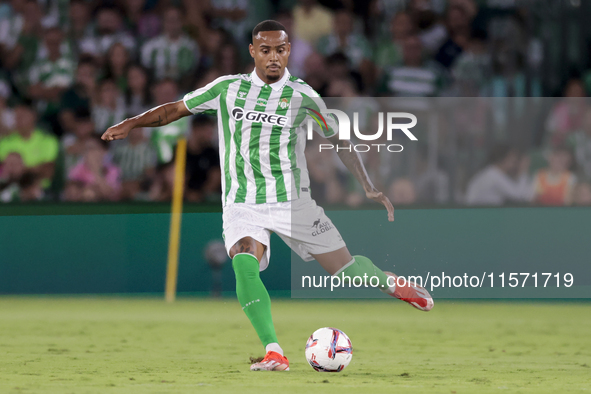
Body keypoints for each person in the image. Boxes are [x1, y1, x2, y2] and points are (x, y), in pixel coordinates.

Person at [101, 20, 433, 372]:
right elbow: (174, 109)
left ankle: (394, 285)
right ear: (253, 52)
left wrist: (367, 184)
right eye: (266, 50)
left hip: (293, 202)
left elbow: (339, 139)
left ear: (288, 51)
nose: (273, 57)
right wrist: (132, 122)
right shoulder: (227, 89)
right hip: (243, 202)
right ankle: (274, 351)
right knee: (244, 258)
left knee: (346, 270)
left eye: (280, 50)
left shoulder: (303, 96)